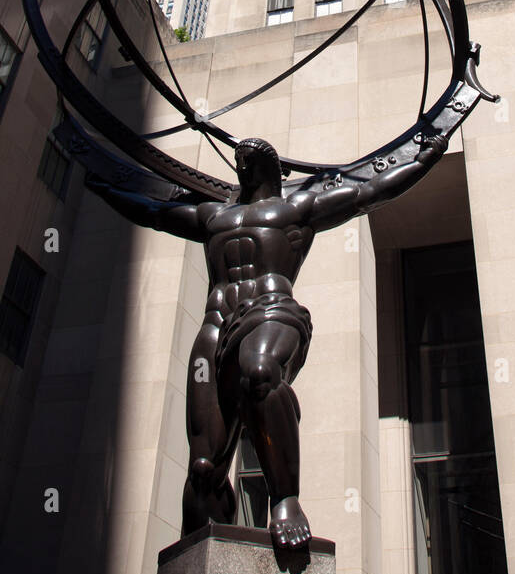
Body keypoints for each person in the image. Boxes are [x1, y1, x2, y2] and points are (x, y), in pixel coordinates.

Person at [86, 129, 447, 550]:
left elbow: (370, 190)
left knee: (259, 372)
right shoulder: (213, 216)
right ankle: (203, 552)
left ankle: (286, 500)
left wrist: (427, 154)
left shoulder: (297, 207)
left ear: (272, 168)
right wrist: (99, 181)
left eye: (251, 158)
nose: (243, 163)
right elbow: (154, 211)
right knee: (203, 468)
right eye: (240, 158)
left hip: (272, 313)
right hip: (216, 327)